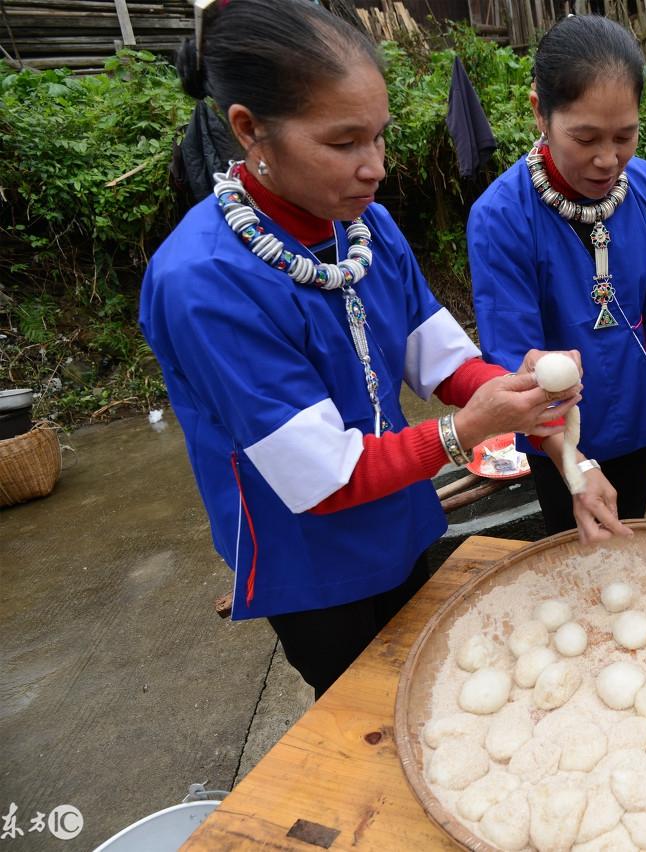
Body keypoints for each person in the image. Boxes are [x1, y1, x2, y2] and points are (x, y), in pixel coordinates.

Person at [140, 0, 580, 697]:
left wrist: (515, 391)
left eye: (379, 137)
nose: (374, 167)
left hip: (396, 515)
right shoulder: (205, 282)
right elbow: (324, 480)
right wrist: (470, 429)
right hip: (309, 562)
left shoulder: (361, 225)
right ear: (250, 129)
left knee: (428, 688)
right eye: (344, 143)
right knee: (360, 714)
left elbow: (435, 355)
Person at [468, 15, 646, 544]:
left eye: (626, 135)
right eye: (586, 138)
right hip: (557, 428)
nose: (608, 159)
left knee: (631, 533)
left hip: (638, 400)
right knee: (572, 541)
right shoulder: (502, 216)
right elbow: (513, 349)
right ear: (540, 113)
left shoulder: (645, 187)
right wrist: (572, 462)